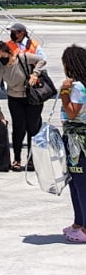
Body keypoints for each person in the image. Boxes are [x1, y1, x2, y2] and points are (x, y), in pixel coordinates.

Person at [0, 38, 48, 171]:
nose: (1, 60)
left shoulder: (23, 58)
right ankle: (17, 159)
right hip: (15, 99)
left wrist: (35, 73)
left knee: (32, 129)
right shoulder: (1, 68)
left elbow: (42, 60)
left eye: (3, 56)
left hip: (32, 98)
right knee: (18, 129)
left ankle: (32, 159)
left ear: (9, 52)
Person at [58, 45, 86, 242]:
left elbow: (72, 112)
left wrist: (64, 93)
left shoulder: (77, 87)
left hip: (78, 142)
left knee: (81, 183)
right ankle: (79, 222)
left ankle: (84, 228)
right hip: (74, 139)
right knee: (74, 183)